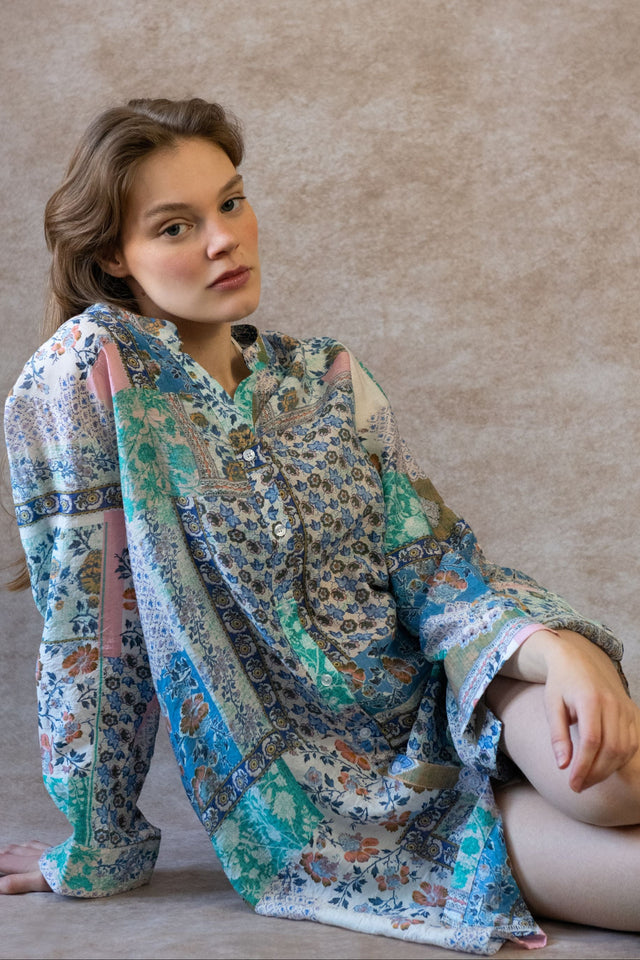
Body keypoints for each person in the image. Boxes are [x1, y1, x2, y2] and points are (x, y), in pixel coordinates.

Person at [2, 97, 639, 956]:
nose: (223, 240)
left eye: (231, 203)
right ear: (114, 254)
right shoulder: (93, 375)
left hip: (457, 681)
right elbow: (94, 633)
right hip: (336, 801)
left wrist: (550, 649)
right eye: (176, 226)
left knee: (612, 784)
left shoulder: (329, 377)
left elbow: (431, 565)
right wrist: (97, 841)